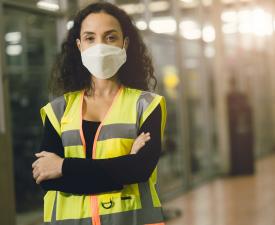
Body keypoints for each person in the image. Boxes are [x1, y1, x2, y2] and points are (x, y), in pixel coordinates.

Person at [32, 2, 166, 225]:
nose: (100, 46)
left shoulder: (146, 105)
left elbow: (140, 169)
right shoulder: (58, 110)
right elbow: (46, 179)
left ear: (125, 43)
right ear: (79, 45)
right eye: (90, 38)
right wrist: (123, 167)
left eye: (110, 37)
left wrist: (64, 166)